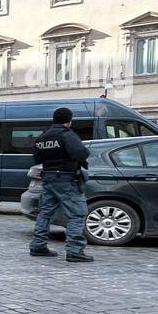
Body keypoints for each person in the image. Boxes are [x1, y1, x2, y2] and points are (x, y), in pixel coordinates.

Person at [28, 106, 94, 262]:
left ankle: (38, 245)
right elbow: (80, 153)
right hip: (67, 179)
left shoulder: (42, 137)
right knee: (76, 214)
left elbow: (37, 159)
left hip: (48, 178)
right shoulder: (67, 135)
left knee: (45, 213)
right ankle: (75, 251)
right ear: (69, 121)